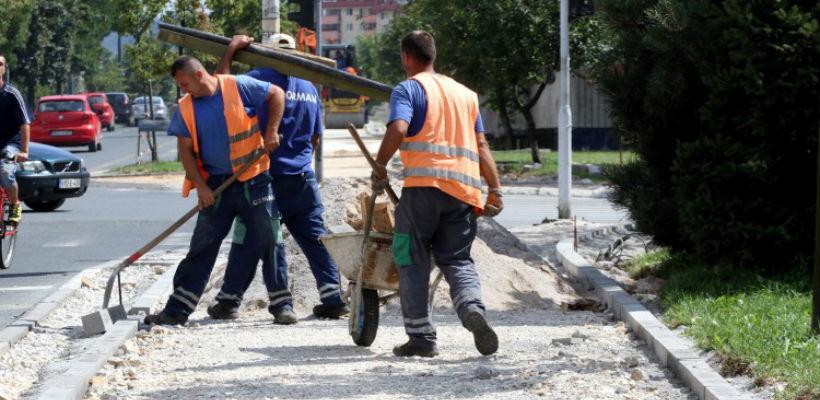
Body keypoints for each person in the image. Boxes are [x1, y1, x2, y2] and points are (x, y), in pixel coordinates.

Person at [371, 31, 504, 357]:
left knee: (411, 258)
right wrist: (495, 190)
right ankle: (471, 309)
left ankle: (421, 338)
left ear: (406, 57)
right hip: (464, 194)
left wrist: (380, 164)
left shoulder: (408, 89)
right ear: (433, 55)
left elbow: (399, 128)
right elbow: (481, 145)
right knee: (457, 259)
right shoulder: (466, 95)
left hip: (422, 191)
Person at [205, 34, 349, 323]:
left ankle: (260, 303)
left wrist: (231, 50)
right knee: (315, 238)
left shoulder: (257, 79)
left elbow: (218, 88)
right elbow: (316, 138)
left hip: (265, 177)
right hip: (302, 177)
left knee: (257, 238)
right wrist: (299, 160)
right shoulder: (309, 87)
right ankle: (333, 297)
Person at [144, 56, 285, 326]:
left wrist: (272, 131)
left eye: (185, 84)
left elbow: (276, 93)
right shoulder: (186, 107)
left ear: (199, 74)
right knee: (203, 246)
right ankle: (177, 310)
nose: (183, 90)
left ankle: (282, 305)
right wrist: (201, 186)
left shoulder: (238, 85)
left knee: (269, 239)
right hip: (217, 185)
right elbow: (185, 151)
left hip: (253, 178)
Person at [0, 54, 31, 225]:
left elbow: (25, 123)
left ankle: (14, 205)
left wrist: (24, 151)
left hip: (10, 143)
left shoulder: (12, 94)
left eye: (0, 64)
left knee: (5, 171)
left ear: (4, 69)